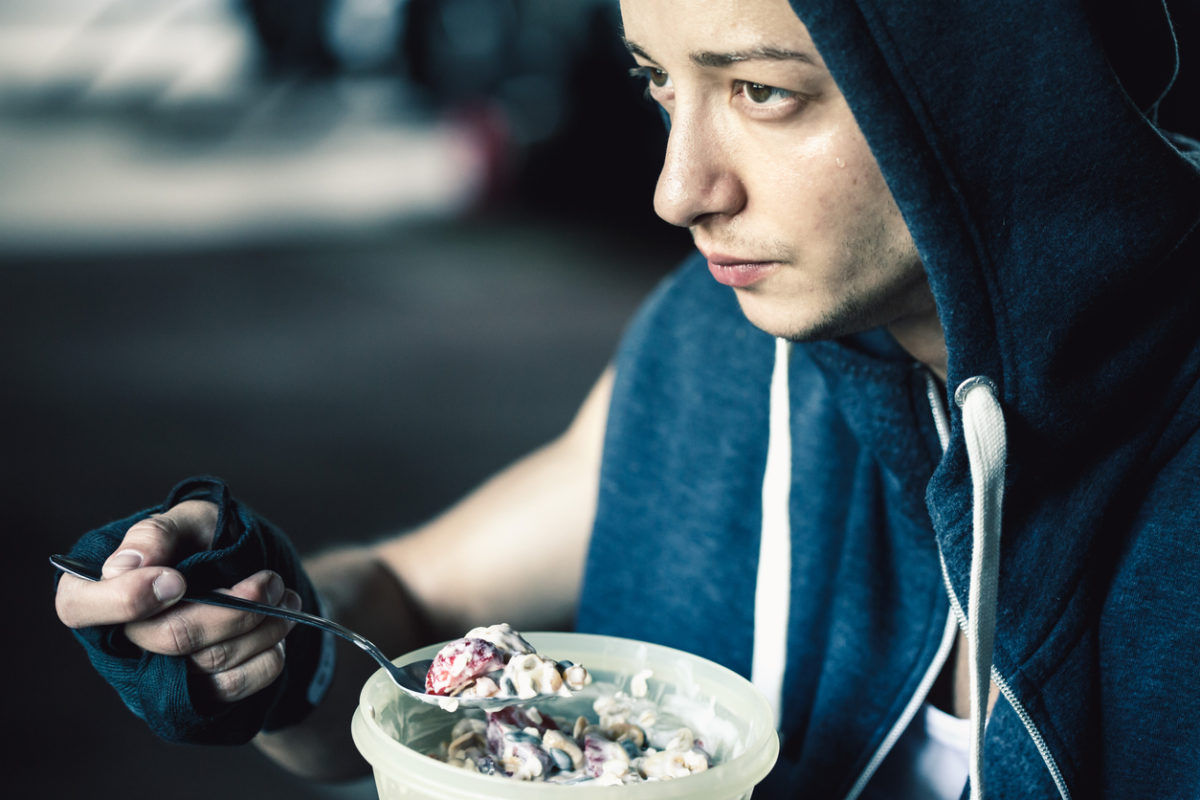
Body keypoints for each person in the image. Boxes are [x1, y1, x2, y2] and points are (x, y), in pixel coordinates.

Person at [54, 0, 1200, 798]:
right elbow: (409, 601)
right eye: (660, 81)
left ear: (995, 81)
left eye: (762, 91)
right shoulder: (721, 350)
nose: (676, 189)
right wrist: (261, 631)